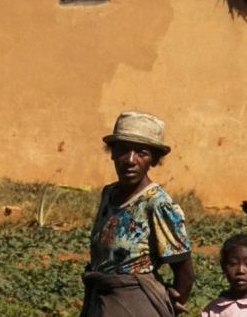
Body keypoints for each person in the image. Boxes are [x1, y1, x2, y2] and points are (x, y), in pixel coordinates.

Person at [82, 111, 195, 317]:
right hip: (100, 301)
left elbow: (184, 272)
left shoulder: (157, 203)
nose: (130, 160)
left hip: (135, 305)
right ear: (113, 153)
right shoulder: (109, 194)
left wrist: (168, 305)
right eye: (123, 150)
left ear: (153, 159)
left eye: (141, 152)